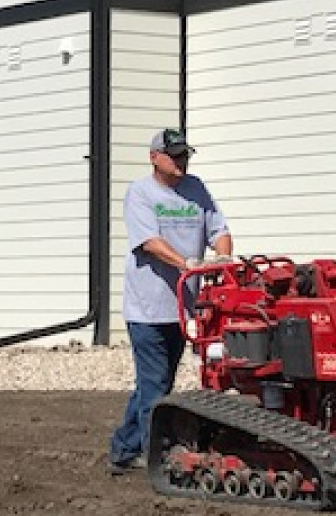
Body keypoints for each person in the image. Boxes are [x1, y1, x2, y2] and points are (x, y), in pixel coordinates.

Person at [108, 128, 233, 474]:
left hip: (183, 307)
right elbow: (149, 242)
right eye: (174, 155)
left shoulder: (196, 189)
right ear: (154, 157)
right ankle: (156, 459)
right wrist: (189, 265)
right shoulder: (141, 193)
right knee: (154, 385)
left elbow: (219, 231)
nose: (182, 161)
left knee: (157, 382)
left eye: (185, 155)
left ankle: (122, 449)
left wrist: (222, 260)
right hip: (147, 308)